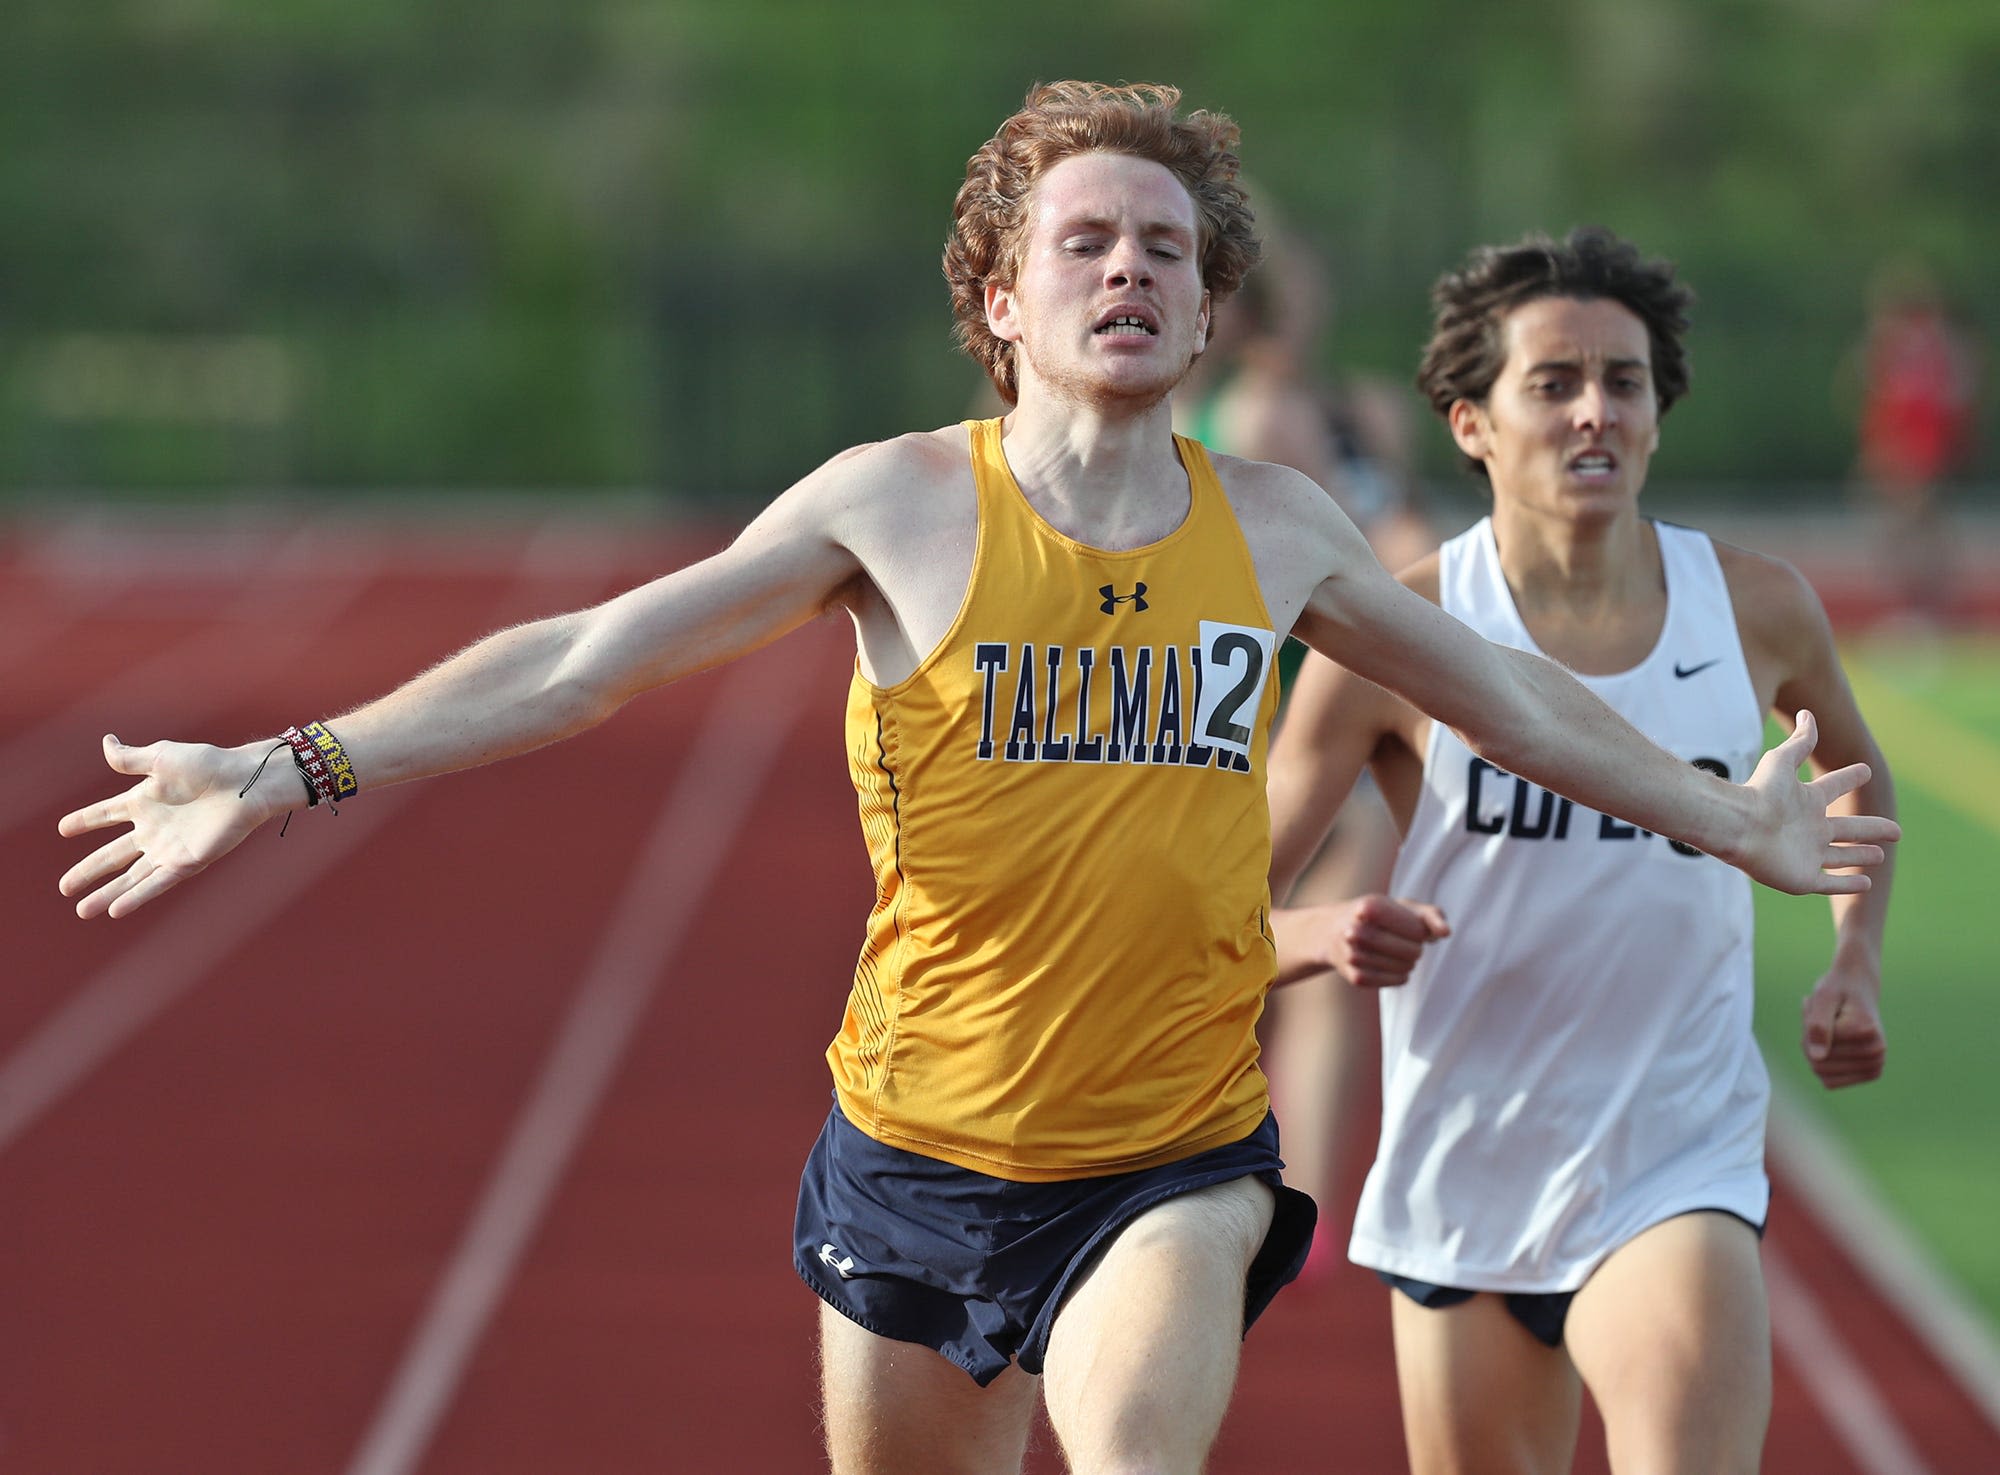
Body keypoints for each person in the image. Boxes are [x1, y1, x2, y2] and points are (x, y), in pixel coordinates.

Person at [58, 88, 1894, 1475]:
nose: (1129, 272)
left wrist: (1735, 817)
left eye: (1167, 251)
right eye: (1086, 243)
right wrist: (286, 765)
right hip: (919, 1141)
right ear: (999, 300)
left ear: (1204, 315)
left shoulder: (1277, 529)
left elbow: (1511, 700)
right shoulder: (900, 507)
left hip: (1170, 1150)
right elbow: (582, 659)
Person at [1266, 227, 1898, 1475]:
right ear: (1469, 422)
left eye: (1623, 379)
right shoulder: (1397, 633)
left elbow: (1852, 787)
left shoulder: (1755, 608)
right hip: (1465, 1167)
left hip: (1674, 1152)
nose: (1593, 410)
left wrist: (1852, 960)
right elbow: (1219, 901)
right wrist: (1316, 935)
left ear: (1659, 408)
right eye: (1551, 383)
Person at [1174, 213, 1437, 1276]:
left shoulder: (1325, 409)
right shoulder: (1256, 413)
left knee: (1296, 964)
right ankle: (1284, 1201)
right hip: (1268, 720)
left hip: (1272, 714)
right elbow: (1379, 552)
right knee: (1270, 961)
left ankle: (1286, 1201)